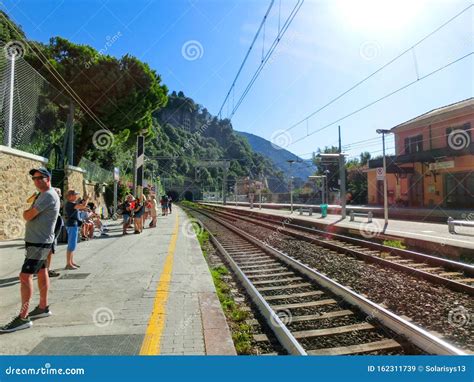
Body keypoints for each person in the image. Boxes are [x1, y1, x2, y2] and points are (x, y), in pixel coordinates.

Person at [0, 167, 59, 333]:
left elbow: (28, 215)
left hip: (38, 242)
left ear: (48, 178)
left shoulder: (47, 195)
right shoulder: (47, 194)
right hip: (41, 241)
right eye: (34, 178)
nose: (37, 180)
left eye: (40, 177)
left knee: (25, 277)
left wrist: (26, 212)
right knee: (42, 272)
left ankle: (23, 318)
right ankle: (43, 307)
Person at [64, 190, 89, 270]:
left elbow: (81, 207)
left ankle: (71, 262)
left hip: (72, 224)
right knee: (71, 245)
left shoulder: (71, 204)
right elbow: (83, 206)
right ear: (70, 196)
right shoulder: (71, 204)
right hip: (72, 225)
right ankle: (68, 264)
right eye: (75, 195)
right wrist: (88, 198)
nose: (76, 196)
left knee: (72, 244)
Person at [47, 187, 63, 278]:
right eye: (58, 193)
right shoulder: (51, 202)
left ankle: (46, 269)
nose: (60, 196)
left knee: (49, 251)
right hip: (49, 233)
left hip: (52, 233)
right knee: (48, 251)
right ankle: (46, 269)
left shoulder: (55, 202)